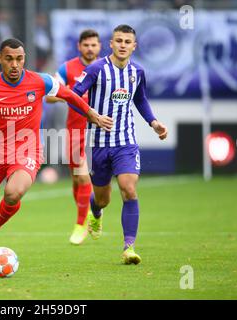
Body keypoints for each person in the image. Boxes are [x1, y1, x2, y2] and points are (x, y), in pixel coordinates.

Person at [0, 38, 113, 274]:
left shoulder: (41, 81)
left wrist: (91, 114)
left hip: (28, 150)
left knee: (13, 194)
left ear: (24, 59)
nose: (15, 64)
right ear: (0, 59)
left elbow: (70, 95)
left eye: (19, 59)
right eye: (9, 59)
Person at [73, 25, 168, 265]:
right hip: (99, 144)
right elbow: (73, 96)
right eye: (119, 40)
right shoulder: (96, 69)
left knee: (128, 188)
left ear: (134, 46)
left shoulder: (137, 72)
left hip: (126, 143)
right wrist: (92, 115)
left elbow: (141, 99)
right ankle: (96, 211)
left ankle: (129, 247)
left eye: (128, 41)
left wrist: (153, 122)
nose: (123, 45)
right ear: (111, 44)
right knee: (103, 198)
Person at [46, 29, 102, 245]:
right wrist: (68, 94)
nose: (90, 48)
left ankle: (81, 224)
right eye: (86, 45)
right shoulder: (67, 68)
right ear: (79, 46)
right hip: (75, 130)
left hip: (97, 130)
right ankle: (91, 212)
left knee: (85, 176)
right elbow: (50, 96)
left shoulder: (106, 68)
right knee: (77, 179)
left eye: (94, 45)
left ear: (99, 47)